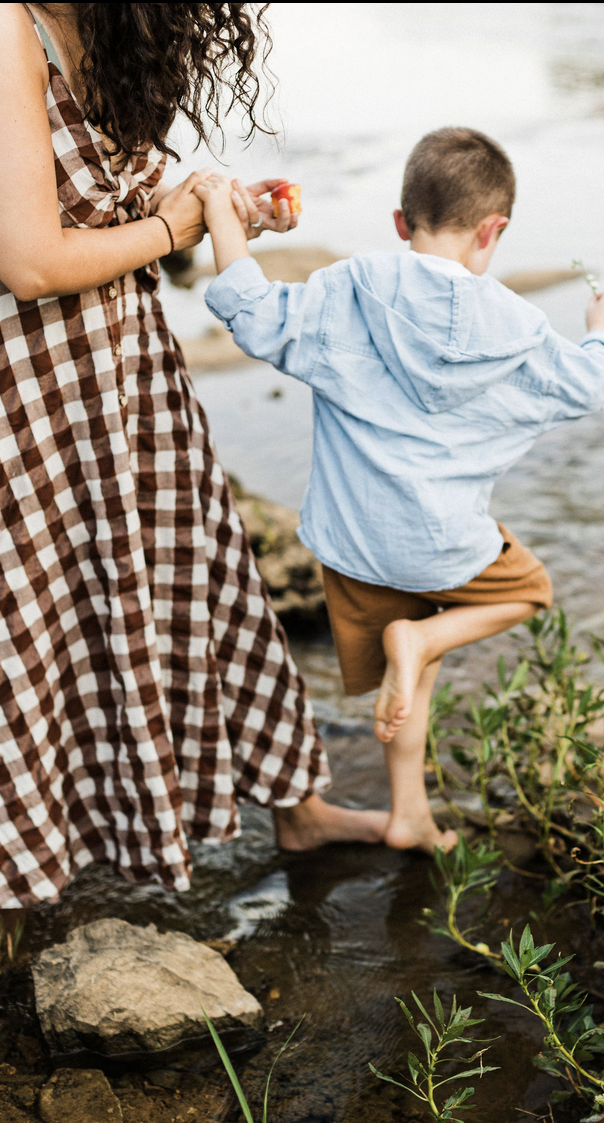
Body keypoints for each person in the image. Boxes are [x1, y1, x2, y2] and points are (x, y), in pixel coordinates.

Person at [0, 2, 388, 924]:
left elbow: (96, 207)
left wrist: (221, 209)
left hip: (124, 365)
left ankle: (298, 809)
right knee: (37, 625)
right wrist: (175, 232)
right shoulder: (9, 27)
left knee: (200, 577)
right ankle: (27, 872)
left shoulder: (108, 30)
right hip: (32, 391)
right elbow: (31, 264)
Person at [193, 126, 604, 854]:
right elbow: (592, 385)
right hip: (444, 546)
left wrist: (220, 213)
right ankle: (422, 639)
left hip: (356, 545)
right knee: (529, 592)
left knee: (414, 677)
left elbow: (252, 311)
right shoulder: (516, 329)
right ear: (493, 231)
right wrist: (602, 332)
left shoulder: (346, 291)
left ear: (402, 222)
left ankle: (409, 815)